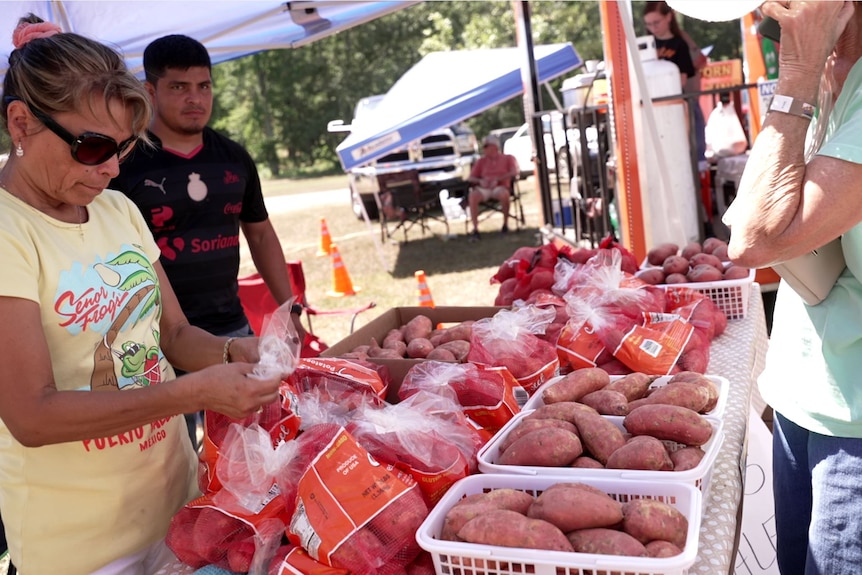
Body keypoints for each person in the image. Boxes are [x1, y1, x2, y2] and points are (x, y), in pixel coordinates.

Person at [0, 15, 285, 574]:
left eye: (125, 150)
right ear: (20, 124)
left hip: (177, 512)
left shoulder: (117, 209)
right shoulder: (9, 230)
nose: (109, 168)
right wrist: (189, 394)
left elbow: (174, 336)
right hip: (84, 546)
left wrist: (235, 354)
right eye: (92, 147)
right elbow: (31, 416)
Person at [716, 2, 862, 573]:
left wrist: (795, 74)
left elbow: (752, 237)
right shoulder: (833, 72)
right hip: (803, 398)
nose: (768, 8)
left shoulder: (815, 72)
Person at [109, 34, 306, 447]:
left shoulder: (233, 158)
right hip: (154, 338)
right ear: (150, 91)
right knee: (172, 456)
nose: (195, 98)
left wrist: (288, 306)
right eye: (179, 87)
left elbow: (261, 232)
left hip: (229, 328)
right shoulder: (123, 165)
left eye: (204, 86)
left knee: (245, 447)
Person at [643, 1, 708, 163]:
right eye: (649, 24)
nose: (653, 28)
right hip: (655, 106)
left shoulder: (680, 43)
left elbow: (686, 75)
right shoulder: (645, 45)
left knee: (692, 147)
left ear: (669, 17)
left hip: (682, 102)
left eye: (656, 22)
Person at [466, 134, 519, 241]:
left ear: (494, 147)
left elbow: (515, 172)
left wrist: (498, 179)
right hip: (484, 189)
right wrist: (480, 181)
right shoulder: (481, 161)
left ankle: (505, 225)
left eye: (486, 146)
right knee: (473, 196)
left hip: (500, 187)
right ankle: (475, 229)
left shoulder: (508, 158)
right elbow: (470, 178)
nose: (484, 149)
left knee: (504, 194)